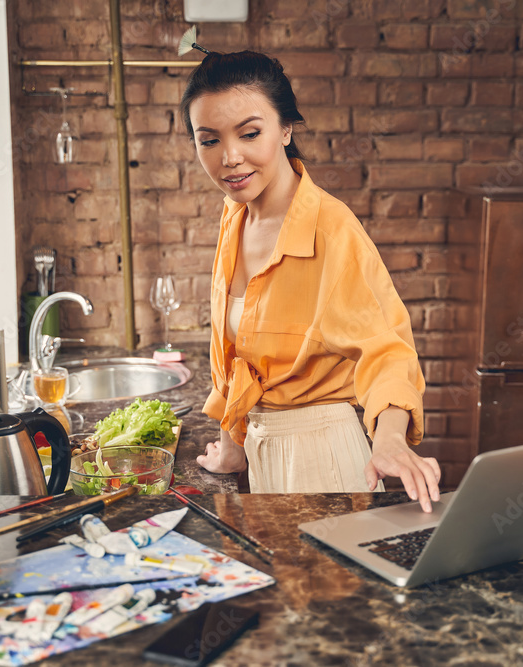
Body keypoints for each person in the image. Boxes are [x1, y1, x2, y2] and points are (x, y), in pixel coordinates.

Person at [179, 50, 441, 512]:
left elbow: (388, 351)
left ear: (285, 129)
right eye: (210, 140)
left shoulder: (331, 230)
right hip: (261, 457)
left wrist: (390, 439)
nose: (230, 158)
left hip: (325, 463)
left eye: (250, 133)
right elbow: (236, 356)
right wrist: (233, 444)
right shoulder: (235, 216)